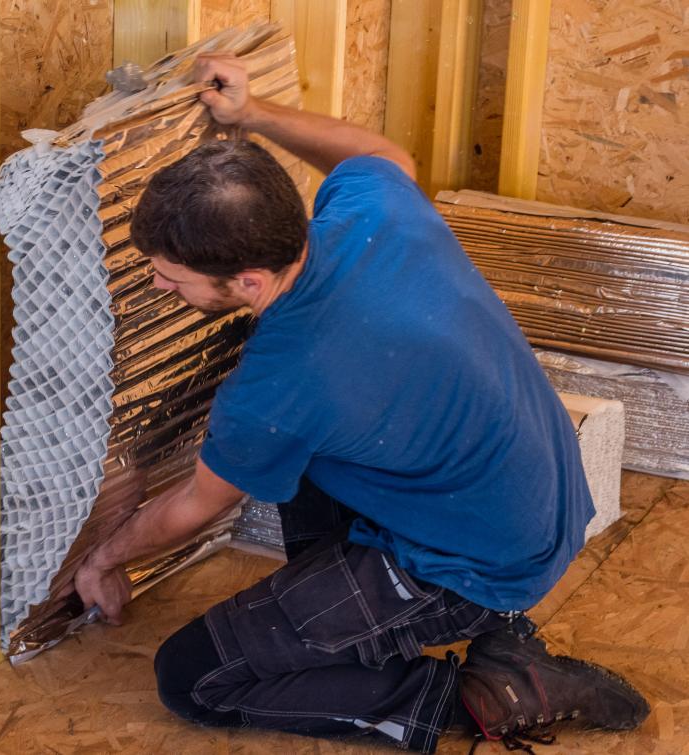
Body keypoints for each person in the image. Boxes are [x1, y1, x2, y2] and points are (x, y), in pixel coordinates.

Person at [71, 53, 649, 753]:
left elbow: (194, 503)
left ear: (250, 281)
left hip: (472, 563)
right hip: (526, 494)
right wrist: (248, 113)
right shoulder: (370, 210)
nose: (161, 289)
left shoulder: (280, 383)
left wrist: (104, 559)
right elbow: (382, 153)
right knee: (300, 458)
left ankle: (488, 689)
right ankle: (349, 628)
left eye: (172, 278)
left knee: (193, 677)